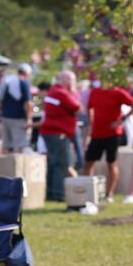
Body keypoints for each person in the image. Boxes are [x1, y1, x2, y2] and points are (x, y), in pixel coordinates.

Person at [84, 79, 133, 203]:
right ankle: (89, 191)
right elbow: (89, 107)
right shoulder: (95, 92)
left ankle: (109, 193)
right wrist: (91, 123)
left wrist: (121, 120)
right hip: (97, 133)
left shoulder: (118, 93)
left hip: (112, 134)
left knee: (111, 163)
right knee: (89, 162)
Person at [39, 70, 81, 202]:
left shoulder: (53, 91)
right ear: (65, 80)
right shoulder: (62, 93)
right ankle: (59, 194)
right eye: (72, 80)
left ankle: (50, 193)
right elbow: (78, 107)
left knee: (53, 164)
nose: (73, 83)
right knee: (62, 164)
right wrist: (73, 91)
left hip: (51, 132)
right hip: (58, 133)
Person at [0, 62, 34, 153]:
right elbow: (28, 103)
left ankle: (4, 165)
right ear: (27, 73)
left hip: (5, 116)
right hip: (18, 118)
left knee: (6, 145)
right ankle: (16, 167)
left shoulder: (6, 80)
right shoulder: (23, 82)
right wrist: (29, 118)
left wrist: (5, 108)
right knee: (19, 145)